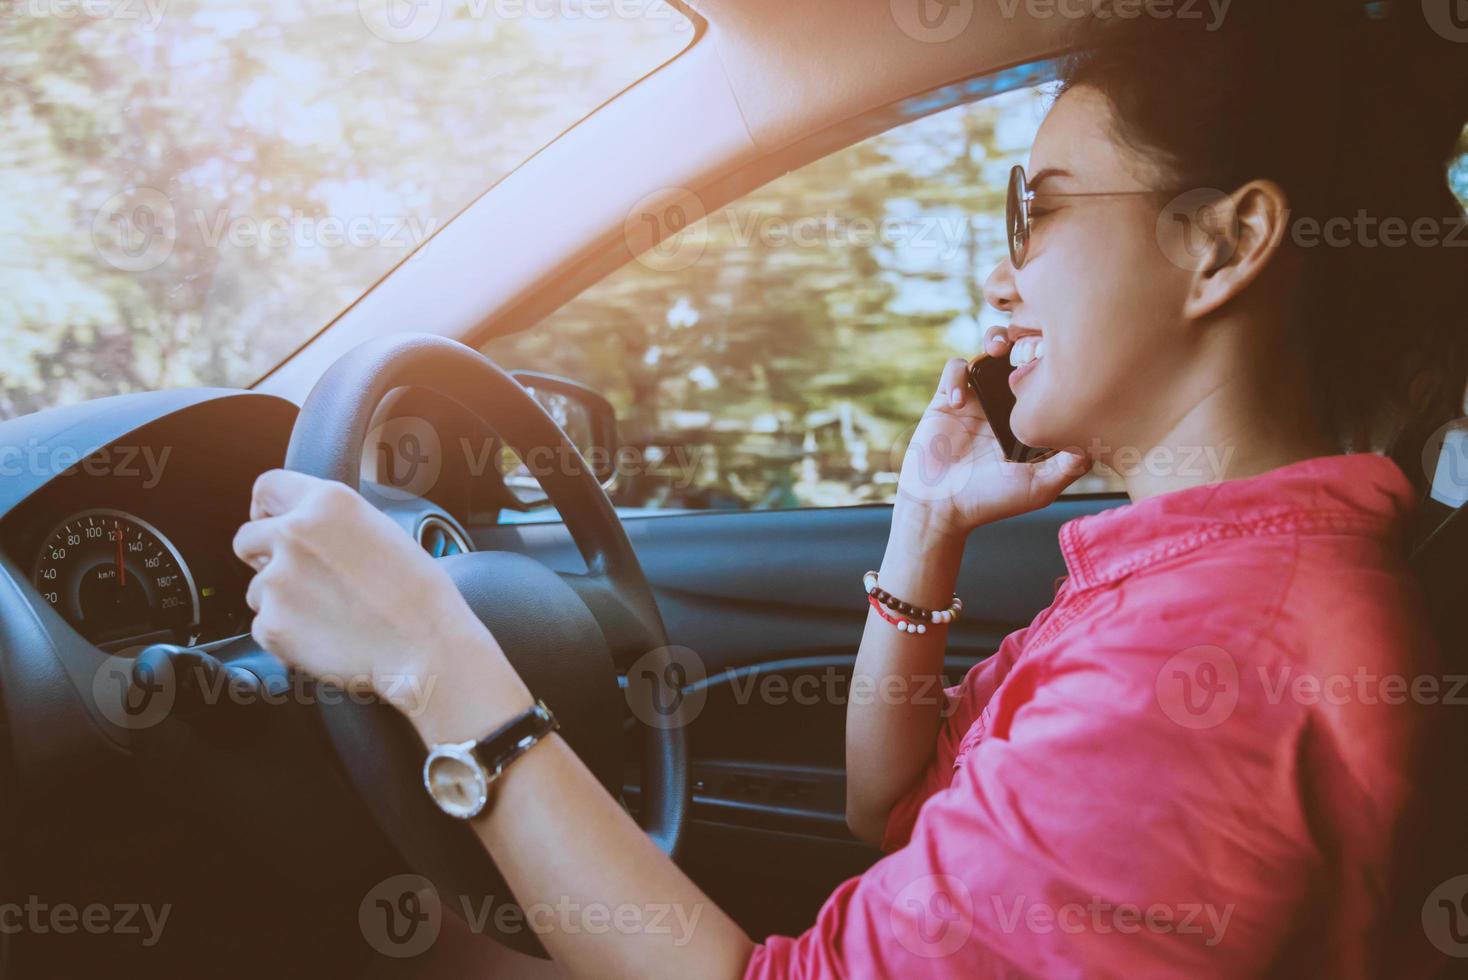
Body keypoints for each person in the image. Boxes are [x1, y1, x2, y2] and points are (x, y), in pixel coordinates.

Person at [230, 1, 1468, 975]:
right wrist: (923, 525)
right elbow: (889, 805)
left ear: (1223, 243)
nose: (1000, 278)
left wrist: (436, 662)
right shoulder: (1204, 572)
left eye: (1034, 213)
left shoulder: (1211, 661)